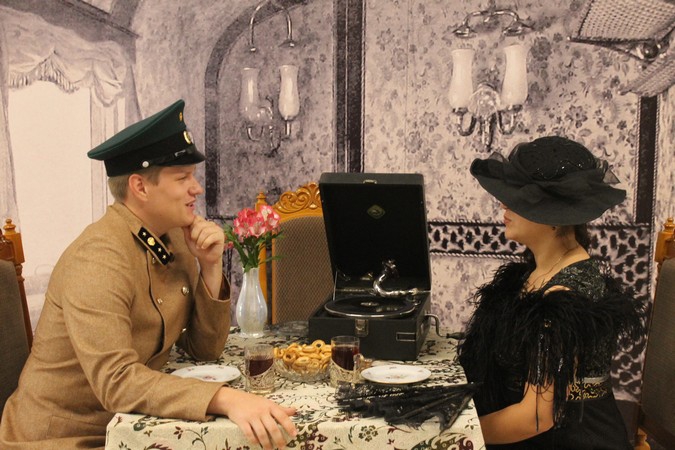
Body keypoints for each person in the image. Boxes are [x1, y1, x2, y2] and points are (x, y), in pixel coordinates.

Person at [0, 99, 297, 450]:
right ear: (140, 187)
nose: (197, 188)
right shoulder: (98, 259)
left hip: (133, 427)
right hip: (66, 436)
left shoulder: (174, 237)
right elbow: (117, 381)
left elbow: (204, 350)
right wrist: (226, 399)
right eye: (182, 178)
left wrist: (210, 266)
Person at [457, 136, 644, 449]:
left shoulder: (564, 294)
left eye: (518, 199)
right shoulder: (540, 271)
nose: (503, 205)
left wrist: (454, 433)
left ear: (553, 217)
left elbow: (536, 418)